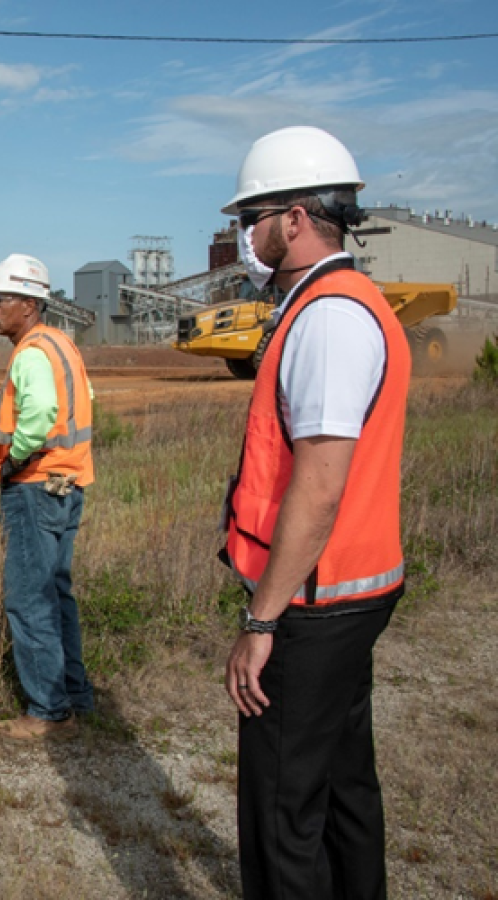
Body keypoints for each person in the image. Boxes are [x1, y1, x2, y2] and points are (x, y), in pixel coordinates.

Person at [219, 126, 410, 900]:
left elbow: (320, 486)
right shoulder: (339, 302)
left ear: (295, 218)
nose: (247, 232)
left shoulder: (328, 318)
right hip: (351, 590)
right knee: (341, 789)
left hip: (313, 602)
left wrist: (262, 624)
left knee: (281, 812)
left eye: (253, 215)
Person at [0, 253, 95, 741]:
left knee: (30, 600)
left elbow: (42, 412)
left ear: (29, 304)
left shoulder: (30, 351)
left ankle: (48, 711)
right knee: (57, 594)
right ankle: (75, 696)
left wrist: (13, 461)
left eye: (0, 298)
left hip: (34, 487)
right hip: (69, 485)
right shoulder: (62, 344)